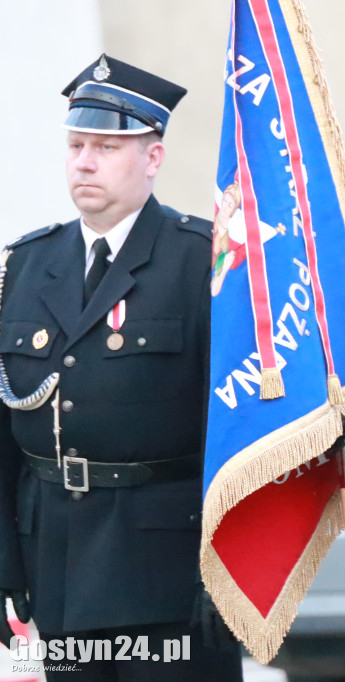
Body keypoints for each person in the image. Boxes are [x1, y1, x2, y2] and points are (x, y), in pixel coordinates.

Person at [0, 54, 242, 681]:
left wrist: (228, 575)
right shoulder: (27, 265)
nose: (84, 162)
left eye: (106, 147)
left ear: (153, 158)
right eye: (76, 145)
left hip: (168, 577)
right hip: (56, 566)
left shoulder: (204, 261)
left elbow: (238, 432)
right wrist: (3, 563)